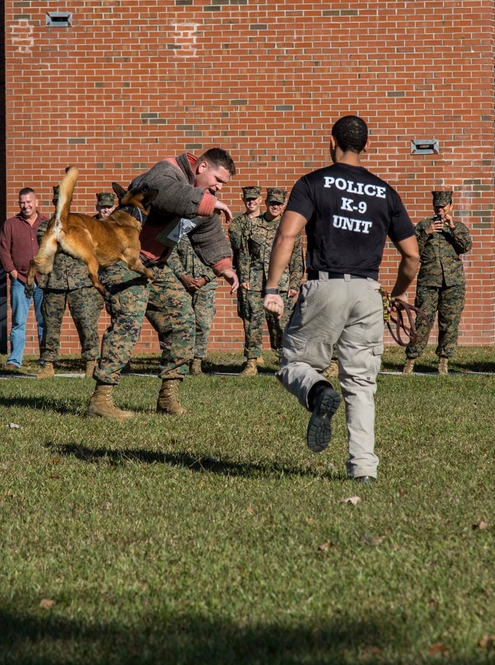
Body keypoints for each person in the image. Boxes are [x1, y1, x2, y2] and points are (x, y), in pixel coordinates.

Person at [263, 115, 419, 483]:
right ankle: (363, 468)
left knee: (293, 363)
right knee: (362, 384)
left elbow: (286, 237)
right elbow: (412, 257)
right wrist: (394, 295)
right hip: (368, 291)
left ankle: (318, 392)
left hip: (326, 284)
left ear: (331, 142)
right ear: (366, 145)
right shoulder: (385, 191)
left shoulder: (312, 182)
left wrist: (272, 288)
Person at [88, 147, 239, 419]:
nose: (218, 188)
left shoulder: (201, 197)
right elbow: (164, 194)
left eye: (223, 185)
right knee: (128, 321)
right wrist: (206, 202)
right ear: (202, 167)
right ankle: (101, 399)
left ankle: (168, 397)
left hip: (156, 265)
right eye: (218, 179)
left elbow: (208, 231)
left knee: (182, 319)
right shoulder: (166, 171)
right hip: (122, 260)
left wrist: (224, 265)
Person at [230, 186, 303, 376]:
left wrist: (294, 285)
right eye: (272, 203)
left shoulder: (289, 228)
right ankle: (251, 363)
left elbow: (296, 259)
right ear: (267, 202)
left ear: (284, 205)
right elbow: (243, 254)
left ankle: (283, 361)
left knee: (280, 324)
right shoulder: (252, 225)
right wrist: (244, 278)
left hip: (281, 285)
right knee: (253, 322)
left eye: (279, 204)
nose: (275, 206)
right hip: (254, 282)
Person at [402, 190, 472, 376]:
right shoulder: (424, 225)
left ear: (451, 206)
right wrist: (426, 233)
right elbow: (412, 249)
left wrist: (453, 228)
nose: (440, 210)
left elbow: (465, 247)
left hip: (453, 283)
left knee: (449, 323)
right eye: (437, 207)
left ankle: (443, 363)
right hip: (429, 282)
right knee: (422, 321)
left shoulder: (458, 226)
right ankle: (411, 362)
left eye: (443, 207)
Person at [36, 186, 103, 378]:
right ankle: (48, 364)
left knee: (87, 324)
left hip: (81, 283)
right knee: (50, 325)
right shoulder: (46, 225)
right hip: (53, 283)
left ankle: (91, 363)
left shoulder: (83, 224)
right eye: (58, 201)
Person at [0, 187, 45, 372]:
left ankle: (45, 362)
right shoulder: (10, 224)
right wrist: (12, 271)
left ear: (36, 202)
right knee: (18, 322)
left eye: (29, 202)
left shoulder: (46, 223)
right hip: (20, 280)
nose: (26, 206)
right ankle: (14, 361)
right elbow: (3, 250)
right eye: (22, 202)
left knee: (44, 323)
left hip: (42, 280)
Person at [167, 234, 218, 375]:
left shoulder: (211, 229)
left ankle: (196, 362)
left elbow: (221, 257)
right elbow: (171, 253)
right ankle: (180, 361)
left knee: (203, 324)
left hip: (206, 285)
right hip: (181, 284)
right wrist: (183, 276)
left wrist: (206, 277)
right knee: (181, 323)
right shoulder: (178, 227)